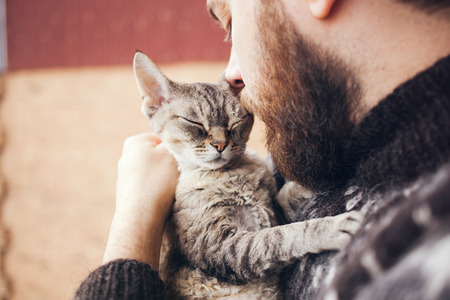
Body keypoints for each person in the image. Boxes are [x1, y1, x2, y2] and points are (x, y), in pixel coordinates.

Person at [75, 0, 450, 299]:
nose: (233, 73)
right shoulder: (324, 150)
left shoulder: (421, 258)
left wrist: (133, 220)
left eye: (231, 25)